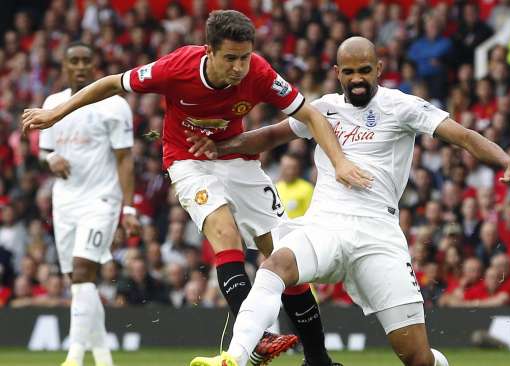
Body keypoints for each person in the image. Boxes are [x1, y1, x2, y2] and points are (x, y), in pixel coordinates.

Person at [23, 10, 371, 366]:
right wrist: (56, 113)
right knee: (225, 233)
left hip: (237, 159)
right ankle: (257, 337)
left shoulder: (261, 73)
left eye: (245, 57)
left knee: (285, 255)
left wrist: (340, 162)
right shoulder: (176, 67)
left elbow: (310, 115)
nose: (239, 67)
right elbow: (113, 82)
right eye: (230, 58)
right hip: (187, 160)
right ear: (209, 50)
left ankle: (318, 359)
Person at [186, 36, 510, 366]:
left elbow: (464, 136)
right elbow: (266, 137)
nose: (357, 78)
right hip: (325, 224)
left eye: (364, 70)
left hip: (378, 235)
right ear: (337, 73)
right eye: (349, 72)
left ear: (378, 68)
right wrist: (216, 147)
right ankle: (235, 357)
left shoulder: (402, 106)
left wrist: (508, 162)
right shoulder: (322, 109)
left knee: (417, 358)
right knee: (276, 264)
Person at [38, 42, 140, 366]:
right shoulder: (53, 103)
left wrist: (129, 208)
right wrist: (51, 158)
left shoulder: (113, 105)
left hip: (101, 199)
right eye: (74, 62)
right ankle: (103, 358)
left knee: (83, 271)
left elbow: (125, 159)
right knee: (78, 281)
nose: (81, 67)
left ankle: (74, 357)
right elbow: (44, 151)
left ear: (95, 65)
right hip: (65, 200)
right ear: (65, 67)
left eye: (86, 61)